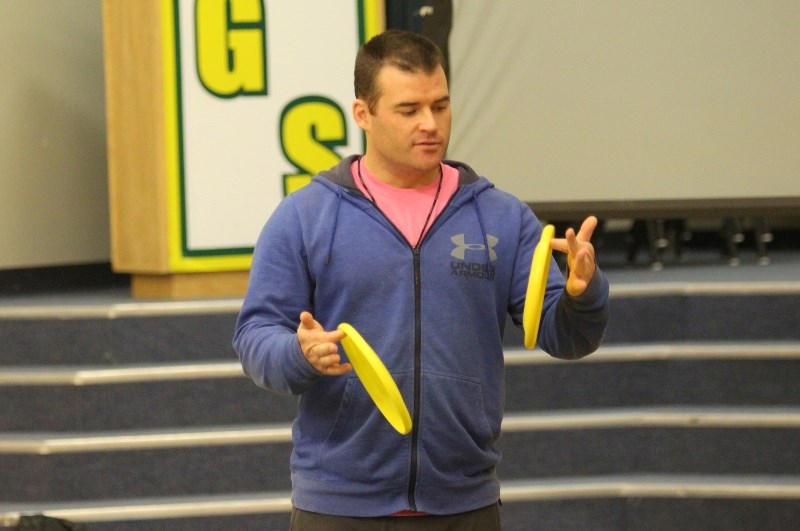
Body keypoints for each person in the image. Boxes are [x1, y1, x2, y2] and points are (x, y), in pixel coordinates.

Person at [233, 29, 610, 530]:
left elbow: (567, 337)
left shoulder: (500, 217)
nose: (430, 124)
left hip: (464, 501)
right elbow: (255, 336)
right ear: (363, 114)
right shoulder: (306, 217)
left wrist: (584, 294)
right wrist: (298, 355)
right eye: (409, 110)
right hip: (338, 505)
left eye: (441, 105)